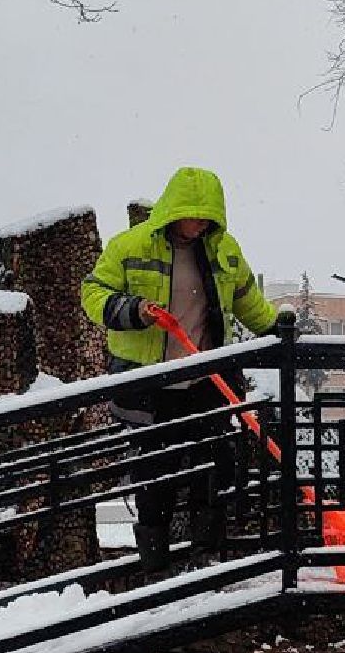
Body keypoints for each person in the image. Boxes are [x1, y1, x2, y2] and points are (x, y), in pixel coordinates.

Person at [81, 167, 279, 569]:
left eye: (207, 217)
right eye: (193, 215)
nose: (199, 223)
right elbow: (93, 292)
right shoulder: (131, 246)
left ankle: (205, 554)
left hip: (207, 380)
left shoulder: (223, 251)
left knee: (216, 466)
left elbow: (248, 301)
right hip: (152, 384)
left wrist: (279, 331)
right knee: (156, 472)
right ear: (173, 210)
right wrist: (132, 310)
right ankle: (154, 562)